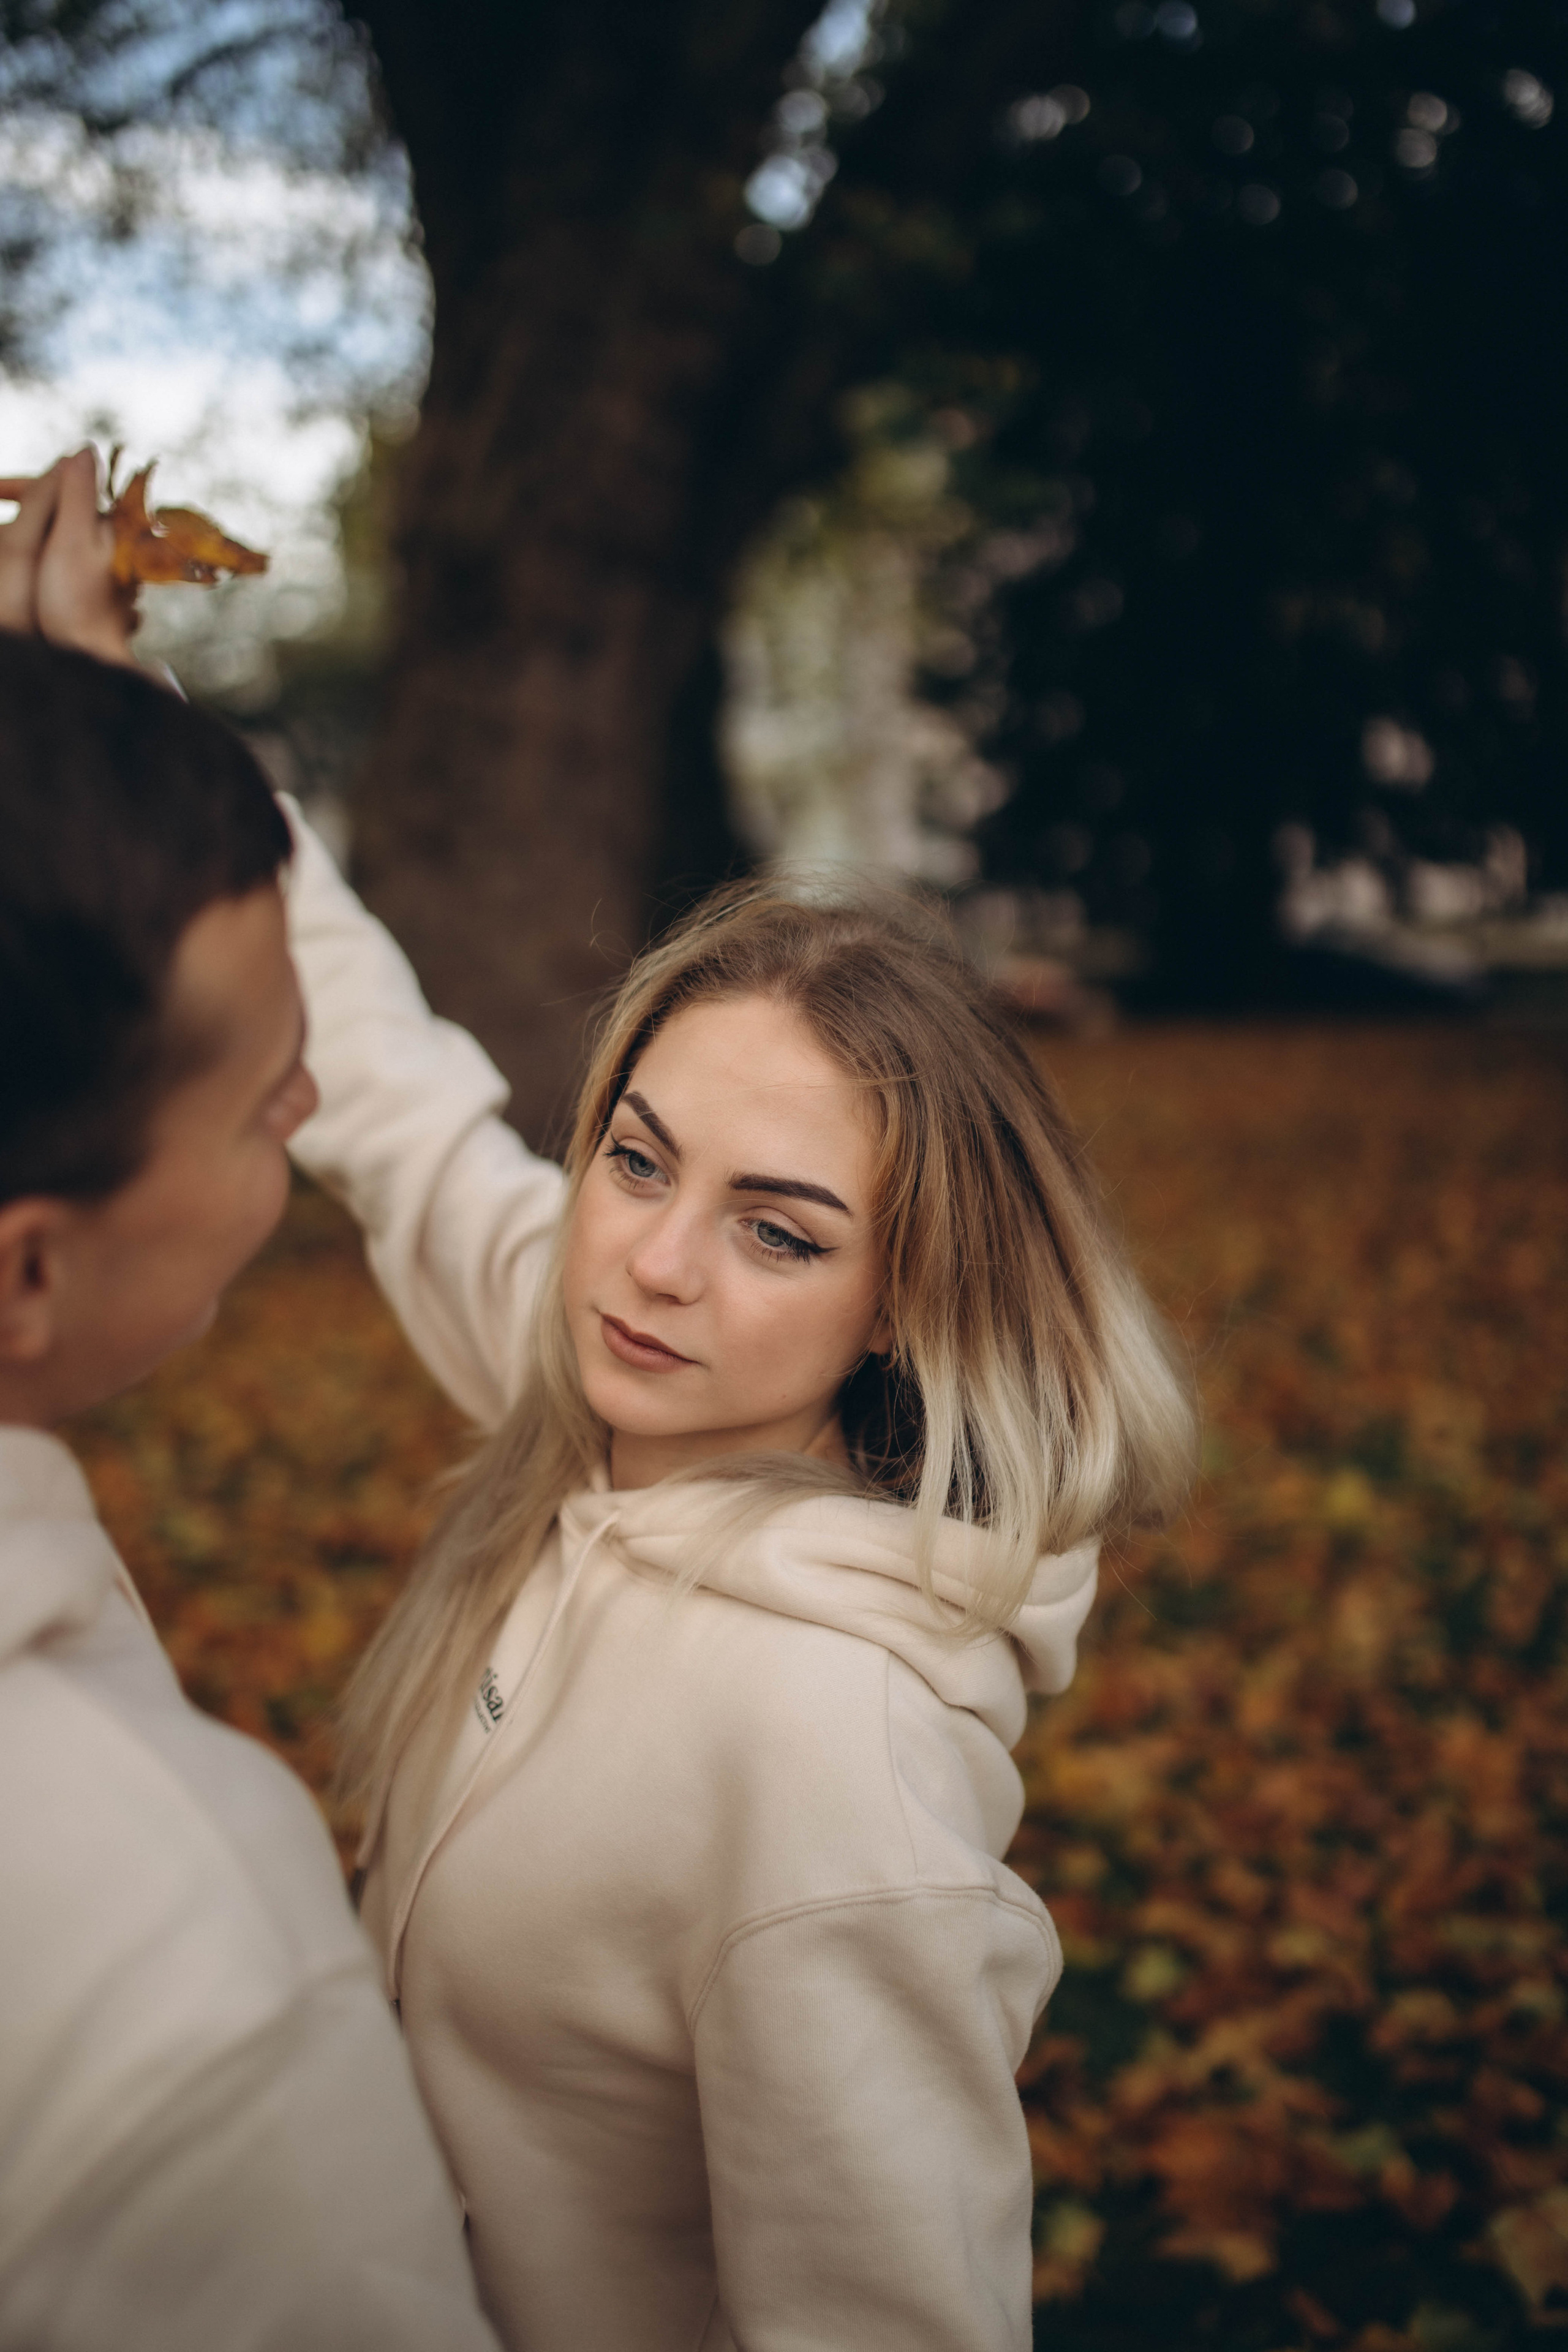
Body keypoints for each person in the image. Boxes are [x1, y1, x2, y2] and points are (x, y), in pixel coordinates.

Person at [274, 747, 1201, 2350]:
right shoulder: (605, 1376)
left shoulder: (837, 1767)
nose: (657, 1262)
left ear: (901, 1298)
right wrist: (129, 723)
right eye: (637, 1159)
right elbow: (400, 1110)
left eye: (777, 1231)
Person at [0, 453, 499, 2351]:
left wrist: (81, 768)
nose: (308, 1106)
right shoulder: (172, 1960)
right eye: (252, 1109)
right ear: (27, 1274)